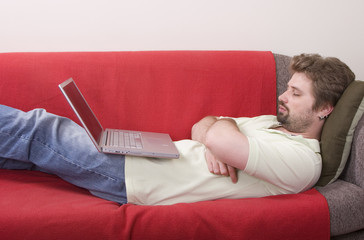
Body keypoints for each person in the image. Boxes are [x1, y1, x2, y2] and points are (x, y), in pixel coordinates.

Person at [0, 53, 355, 205]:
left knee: (40, 129)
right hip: (145, 161)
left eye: (295, 93)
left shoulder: (301, 161)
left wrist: (219, 136)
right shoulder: (270, 125)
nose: (282, 96)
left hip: (136, 179)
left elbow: (213, 132)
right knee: (30, 154)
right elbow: (203, 126)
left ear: (325, 108)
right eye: (286, 87)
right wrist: (219, 138)